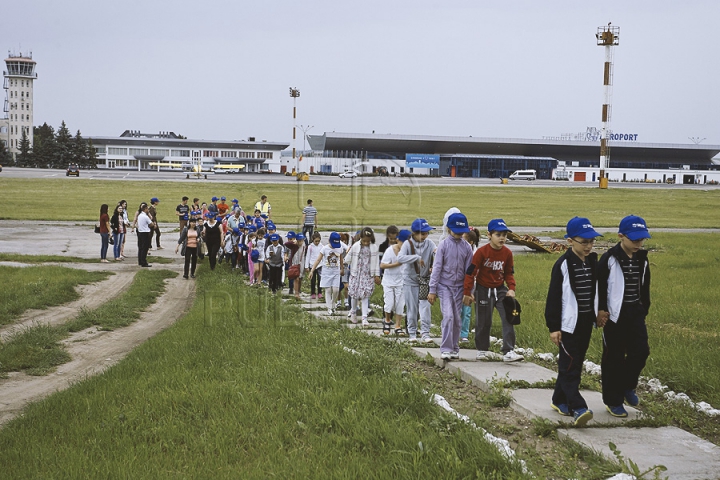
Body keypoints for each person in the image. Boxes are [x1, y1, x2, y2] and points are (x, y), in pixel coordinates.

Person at [545, 216, 603, 427]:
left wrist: (598, 313)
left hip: (586, 323)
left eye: (591, 242)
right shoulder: (562, 265)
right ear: (570, 241)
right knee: (569, 366)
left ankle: (559, 399)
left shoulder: (591, 262)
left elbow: (595, 292)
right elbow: (553, 298)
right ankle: (578, 407)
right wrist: (554, 327)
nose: (588, 246)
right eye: (583, 242)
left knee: (574, 363)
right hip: (568, 325)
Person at [597, 215, 652, 418]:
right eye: (634, 240)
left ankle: (628, 386)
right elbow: (600, 286)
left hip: (635, 313)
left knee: (641, 351)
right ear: (621, 237)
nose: (638, 244)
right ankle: (613, 401)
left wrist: (643, 308)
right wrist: (601, 309)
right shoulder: (610, 259)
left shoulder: (642, 259)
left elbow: (645, 287)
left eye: (641, 240)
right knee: (614, 358)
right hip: (614, 316)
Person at [463, 219, 523, 362]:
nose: (502, 238)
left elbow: (509, 273)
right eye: (498, 234)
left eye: (504, 235)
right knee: (483, 321)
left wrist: (512, 289)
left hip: (500, 289)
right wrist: (467, 292)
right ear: (489, 235)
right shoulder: (482, 252)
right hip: (483, 289)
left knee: (509, 317)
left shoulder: (507, 253)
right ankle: (482, 349)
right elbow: (471, 272)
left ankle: (508, 351)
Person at [429, 213, 473, 360]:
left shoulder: (467, 247)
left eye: (462, 232)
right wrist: (432, 289)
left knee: (456, 318)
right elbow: (437, 268)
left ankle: (454, 347)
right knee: (448, 316)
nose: (459, 234)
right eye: (456, 231)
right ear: (448, 229)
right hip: (444, 286)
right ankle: (446, 348)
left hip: (460, 288)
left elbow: (470, 272)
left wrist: (469, 291)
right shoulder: (443, 245)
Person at [398, 218, 437, 342]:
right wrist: (415, 257)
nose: (425, 236)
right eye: (422, 233)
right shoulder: (407, 244)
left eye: (426, 233)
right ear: (414, 233)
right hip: (410, 279)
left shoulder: (430, 243)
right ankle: (412, 333)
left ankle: (425, 333)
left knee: (425, 307)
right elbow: (400, 258)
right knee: (412, 308)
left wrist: (434, 264)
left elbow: (436, 253)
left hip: (425, 280)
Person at [380, 229, 419, 335]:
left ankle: (398, 326)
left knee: (400, 305)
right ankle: (387, 321)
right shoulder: (390, 251)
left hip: (402, 282)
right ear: (398, 240)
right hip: (388, 282)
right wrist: (396, 264)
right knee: (389, 304)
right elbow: (382, 265)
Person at [345, 227, 381, 326]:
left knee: (365, 295)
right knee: (354, 295)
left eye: (368, 241)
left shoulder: (374, 247)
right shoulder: (355, 246)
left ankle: (364, 317)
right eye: (364, 241)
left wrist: (376, 275)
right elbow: (347, 259)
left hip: (367, 275)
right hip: (356, 275)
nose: (366, 243)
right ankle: (353, 312)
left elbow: (376, 262)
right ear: (360, 237)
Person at [309, 232, 345, 315]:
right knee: (328, 290)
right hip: (326, 272)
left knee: (336, 290)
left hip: (336, 272)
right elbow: (318, 260)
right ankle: (329, 307)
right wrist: (312, 271)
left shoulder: (339, 248)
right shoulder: (324, 249)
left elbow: (341, 259)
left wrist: (342, 269)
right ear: (329, 241)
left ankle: (333, 303)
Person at [460, 228, 481, 342]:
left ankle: (464, 334)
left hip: (470, 286)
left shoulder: (476, 254)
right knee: (456, 310)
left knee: (466, 311)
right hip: (458, 285)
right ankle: (454, 332)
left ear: (471, 242)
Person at [305, 232, 324, 299]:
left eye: (318, 241)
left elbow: (323, 256)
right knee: (312, 280)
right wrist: (306, 266)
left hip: (320, 265)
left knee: (320, 280)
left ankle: (319, 292)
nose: (317, 242)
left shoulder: (322, 246)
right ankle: (313, 293)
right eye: (316, 241)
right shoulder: (310, 247)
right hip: (312, 265)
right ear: (313, 240)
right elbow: (308, 256)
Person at [136, 203, 155, 267]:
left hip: (140, 232)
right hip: (145, 232)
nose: (148, 210)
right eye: (147, 209)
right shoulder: (145, 216)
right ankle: (144, 262)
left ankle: (140, 261)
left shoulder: (140, 215)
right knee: (145, 248)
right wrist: (153, 225)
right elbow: (151, 224)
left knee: (141, 247)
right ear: (145, 209)